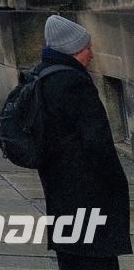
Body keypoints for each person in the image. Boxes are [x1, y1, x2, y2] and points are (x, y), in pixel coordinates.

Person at [30, 16, 131, 270]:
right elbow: (97, 141)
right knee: (96, 260)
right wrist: (115, 183)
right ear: (73, 50)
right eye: (87, 48)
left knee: (72, 257)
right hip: (87, 194)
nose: (92, 54)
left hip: (60, 191)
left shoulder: (42, 76)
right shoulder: (73, 83)